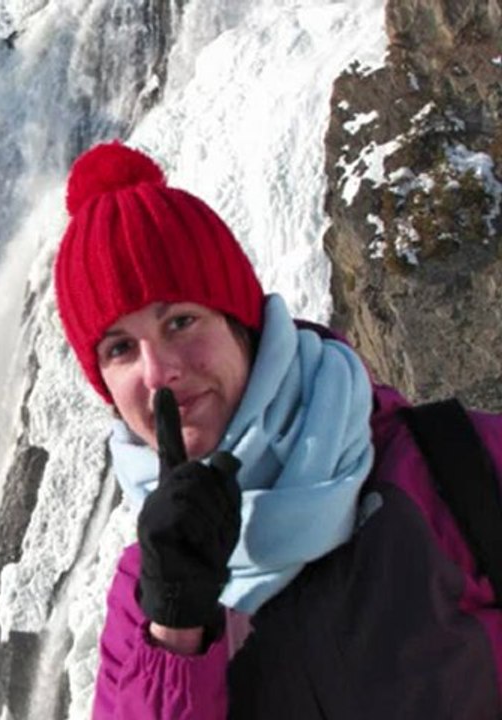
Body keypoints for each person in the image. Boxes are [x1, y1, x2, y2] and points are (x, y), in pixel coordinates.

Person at [52, 140, 502, 719]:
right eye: (120, 349)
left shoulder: (456, 467)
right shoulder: (143, 598)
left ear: (241, 325)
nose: (159, 372)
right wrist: (175, 631)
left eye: (181, 321)